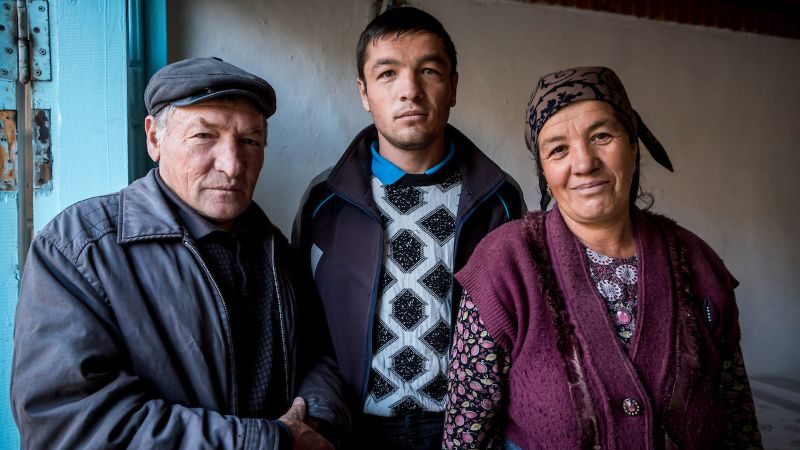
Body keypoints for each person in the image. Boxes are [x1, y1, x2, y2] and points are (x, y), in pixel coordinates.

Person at [11, 57, 348, 449]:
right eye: (204, 136)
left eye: (250, 141)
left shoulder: (274, 248)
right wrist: (270, 442)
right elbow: (70, 424)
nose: (232, 165)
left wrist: (319, 422)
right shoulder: (80, 250)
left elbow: (319, 354)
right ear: (154, 138)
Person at [442, 67, 763, 449]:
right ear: (544, 171)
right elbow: (466, 434)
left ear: (632, 145)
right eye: (559, 149)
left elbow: (738, 420)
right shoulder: (504, 266)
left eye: (601, 136)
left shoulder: (697, 262)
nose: (584, 162)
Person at [293, 7, 525, 449]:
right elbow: (305, 324)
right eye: (387, 74)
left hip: (464, 432)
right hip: (353, 429)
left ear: (453, 86)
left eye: (430, 71)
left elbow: (515, 328)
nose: (410, 91)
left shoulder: (497, 199)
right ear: (363, 92)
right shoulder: (325, 201)